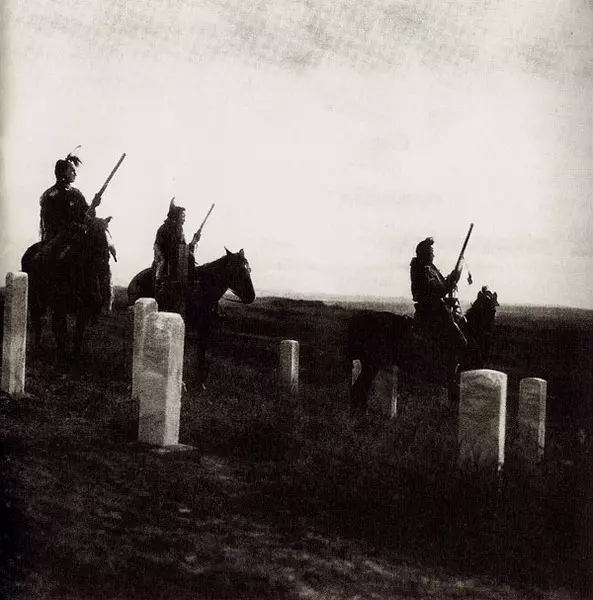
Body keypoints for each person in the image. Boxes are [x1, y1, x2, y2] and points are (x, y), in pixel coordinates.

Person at [410, 236, 467, 352]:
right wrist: (453, 278)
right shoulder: (424, 269)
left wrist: (453, 277)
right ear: (425, 254)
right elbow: (438, 290)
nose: (433, 255)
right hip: (433, 311)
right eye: (431, 253)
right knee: (460, 341)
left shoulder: (426, 268)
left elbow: (440, 286)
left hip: (432, 308)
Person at [152, 199, 201, 306]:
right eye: (182, 216)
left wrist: (194, 241)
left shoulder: (179, 230)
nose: (184, 219)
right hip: (164, 257)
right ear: (176, 217)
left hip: (177, 258)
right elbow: (168, 248)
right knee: (162, 266)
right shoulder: (164, 229)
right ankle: (158, 286)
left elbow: (184, 248)